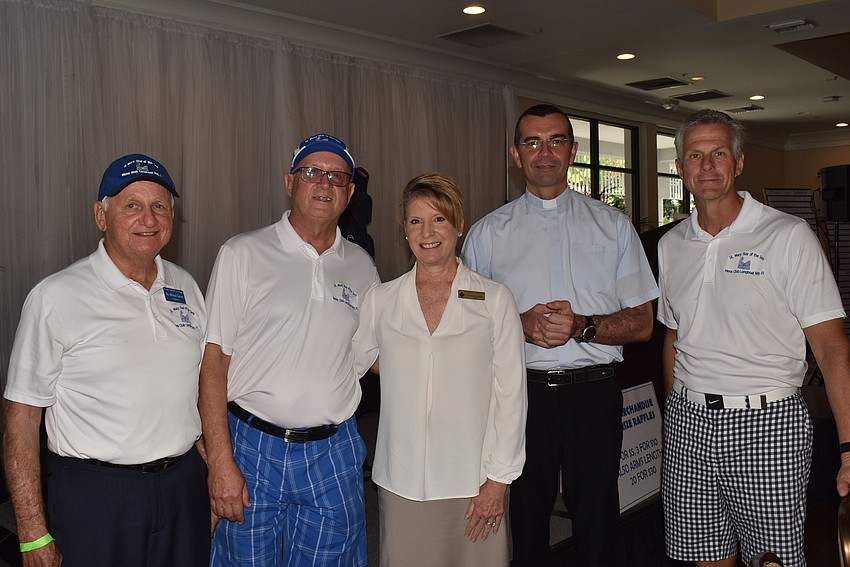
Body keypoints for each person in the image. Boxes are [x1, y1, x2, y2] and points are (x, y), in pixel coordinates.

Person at [462, 104, 659, 566]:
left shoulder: (613, 226)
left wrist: (582, 326)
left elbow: (643, 322)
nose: (544, 152)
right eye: (532, 142)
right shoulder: (487, 234)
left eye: (556, 141)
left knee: (598, 522)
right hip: (520, 397)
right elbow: (465, 326)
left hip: (593, 395)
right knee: (527, 521)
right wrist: (517, 324)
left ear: (572, 151)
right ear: (516, 154)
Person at [657, 109, 850, 567]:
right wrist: (672, 426)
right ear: (680, 167)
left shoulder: (788, 236)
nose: (707, 165)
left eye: (719, 153)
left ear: (739, 162)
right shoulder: (670, 245)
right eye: (695, 155)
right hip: (688, 423)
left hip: (768, 423)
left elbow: (831, 346)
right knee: (704, 557)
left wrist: (848, 448)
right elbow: (674, 339)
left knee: (772, 560)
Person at [3, 154, 209, 567]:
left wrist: (209, 471)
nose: (148, 218)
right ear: (101, 215)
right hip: (97, 495)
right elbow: (21, 417)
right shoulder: (55, 297)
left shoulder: (186, 286)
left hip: (182, 486)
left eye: (160, 205)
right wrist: (32, 533)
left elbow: (197, 388)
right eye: (132, 205)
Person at [200, 133, 379, 566]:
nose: (325, 184)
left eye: (337, 177)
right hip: (250, 448)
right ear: (289, 182)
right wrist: (219, 461)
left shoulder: (362, 267)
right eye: (312, 172)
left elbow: (372, 359)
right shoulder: (243, 253)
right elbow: (213, 364)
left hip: (332, 451)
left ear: (350, 193)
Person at [353, 173, 527, 567]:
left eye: (439, 219)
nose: (427, 232)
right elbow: (353, 363)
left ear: (459, 225)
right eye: (416, 221)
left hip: (476, 480)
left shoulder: (495, 299)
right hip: (402, 481)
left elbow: (512, 395)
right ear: (404, 230)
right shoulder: (382, 300)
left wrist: (498, 481)